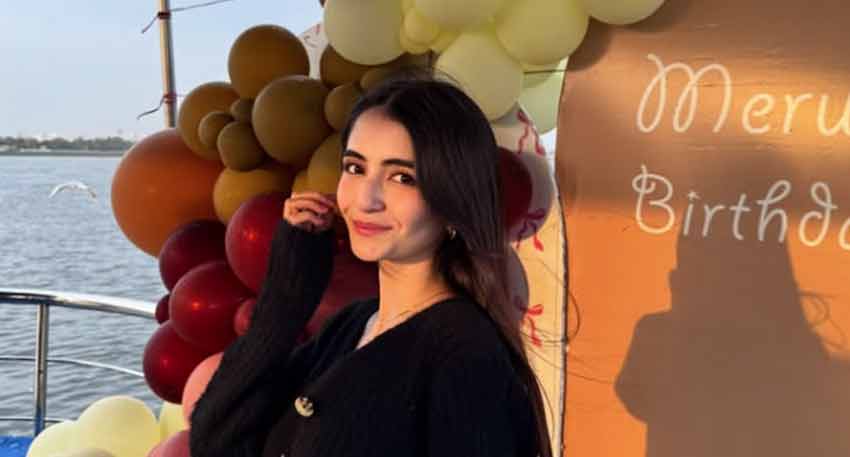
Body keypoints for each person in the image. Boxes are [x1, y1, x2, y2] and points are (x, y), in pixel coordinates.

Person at [189, 73, 552, 457]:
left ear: (453, 200)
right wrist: (287, 297)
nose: (366, 199)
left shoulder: (464, 356)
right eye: (355, 168)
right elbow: (217, 440)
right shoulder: (354, 325)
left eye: (402, 177)